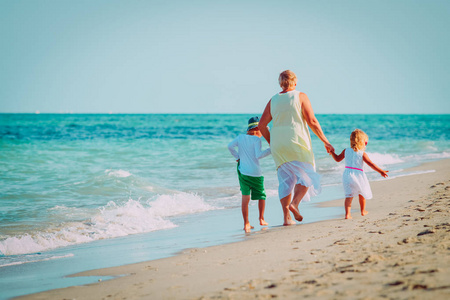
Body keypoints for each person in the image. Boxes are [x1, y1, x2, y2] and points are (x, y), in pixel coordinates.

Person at [259, 70, 334, 226]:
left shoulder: (273, 99)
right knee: (307, 175)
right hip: (297, 141)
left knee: (285, 181)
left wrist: (271, 142)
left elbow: (261, 125)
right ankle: (295, 203)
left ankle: (286, 218)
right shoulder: (300, 96)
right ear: (295, 82)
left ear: (280, 83)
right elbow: (312, 121)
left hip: (278, 144)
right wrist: (325, 141)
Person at [329, 129, 389, 219]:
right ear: (363, 143)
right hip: (358, 175)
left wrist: (332, 152)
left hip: (347, 175)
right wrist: (381, 171)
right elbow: (371, 164)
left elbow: (337, 159)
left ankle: (347, 214)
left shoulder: (346, 151)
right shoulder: (362, 154)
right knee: (362, 193)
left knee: (349, 195)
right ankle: (363, 211)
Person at [228, 116, 272, 233]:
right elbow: (259, 155)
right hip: (256, 173)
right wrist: (271, 149)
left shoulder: (240, 137)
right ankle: (261, 219)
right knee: (261, 195)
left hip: (243, 172)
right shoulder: (257, 140)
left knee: (245, 197)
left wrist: (237, 157)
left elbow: (229, 146)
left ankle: (246, 223)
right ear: (258, 129)